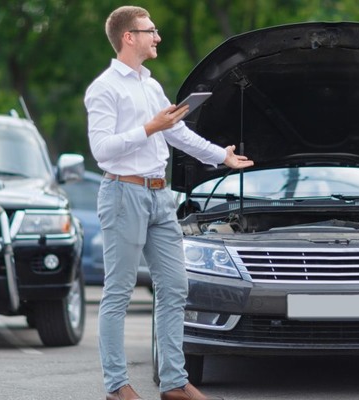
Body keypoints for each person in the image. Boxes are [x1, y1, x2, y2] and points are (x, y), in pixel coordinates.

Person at [84, 6, 252, 400]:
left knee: (175, 288)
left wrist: (220, 156)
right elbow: (102, 150)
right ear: (129, 37)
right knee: (118, 292)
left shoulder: (150, 84)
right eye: (150, 31)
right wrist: (149, 128)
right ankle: (116, 386)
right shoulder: (104, 87)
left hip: (161, 196)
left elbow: (177, 134)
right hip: (124, 193)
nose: (157, 37)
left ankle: (174, 382)